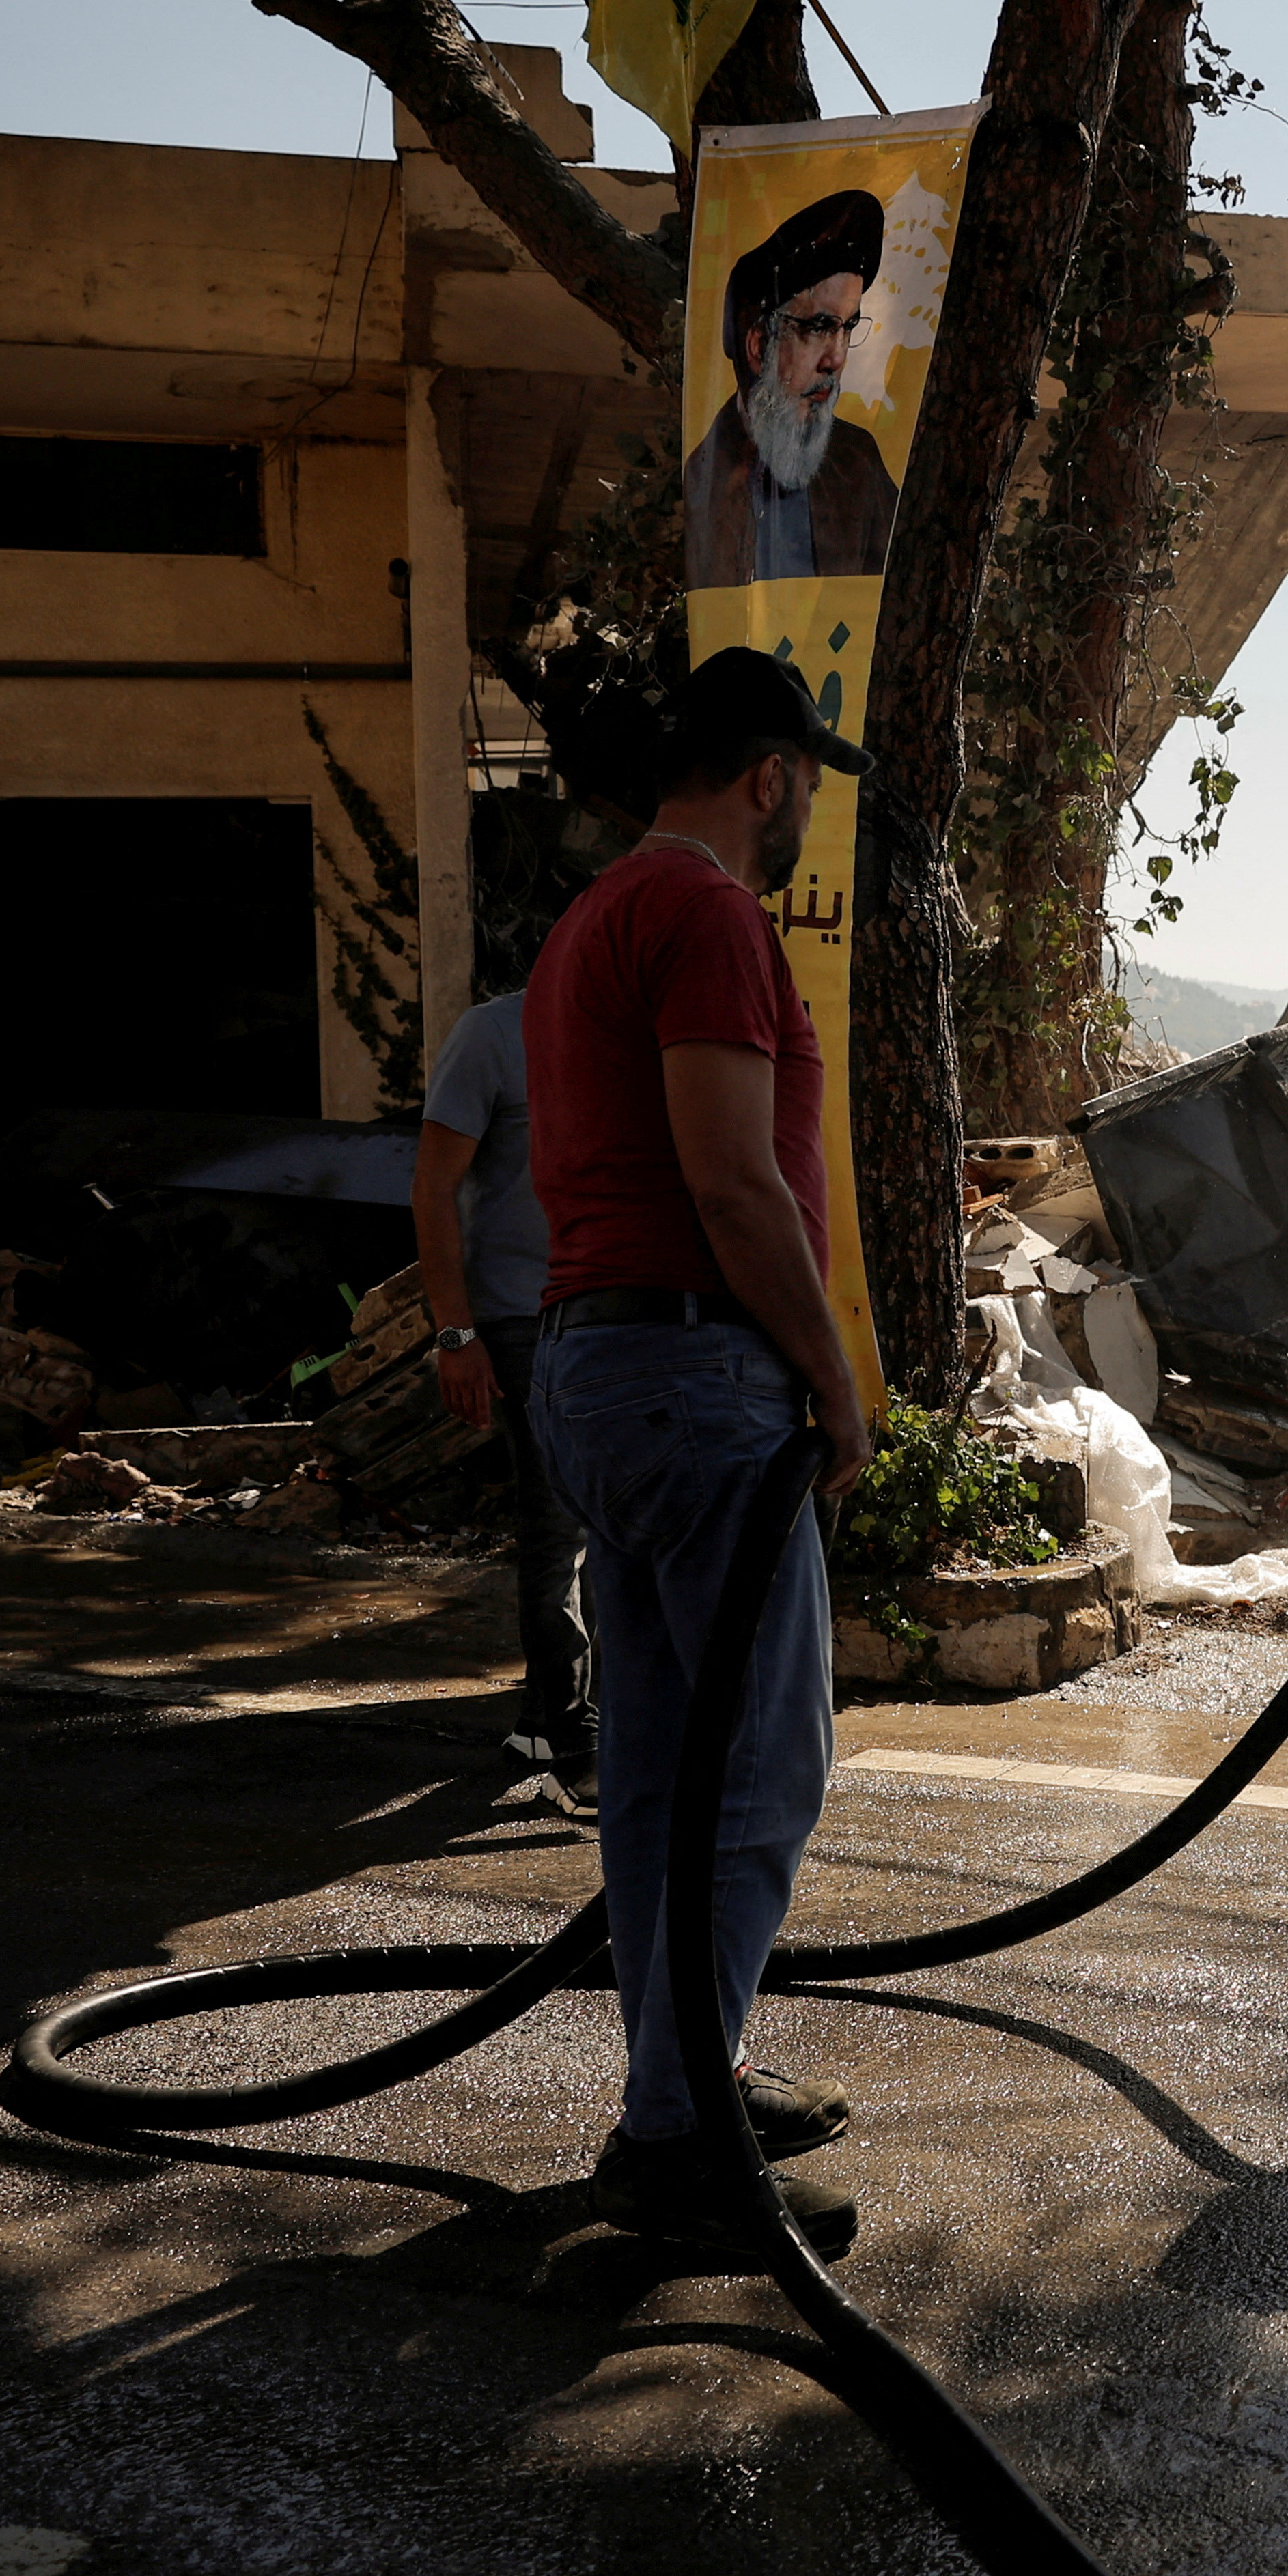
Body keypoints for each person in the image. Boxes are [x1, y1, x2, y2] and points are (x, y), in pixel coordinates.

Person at [524, 645, 877, 2254]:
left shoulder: (592, 919)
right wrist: (837, 1380)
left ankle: (688, 2079)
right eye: (807, 780)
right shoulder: (712, 915)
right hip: (693, 1371)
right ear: (769, 774)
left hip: (601, 1369)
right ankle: (679, 2143)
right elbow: (735, 1184)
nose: (805, 807)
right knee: (757, 1768)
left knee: (664, 1773)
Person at [412, 898, 596, 1817]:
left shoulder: (634, 1036)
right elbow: (434, 1189)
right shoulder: (491, 1037)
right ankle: (569, 1732)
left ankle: (554, 1711)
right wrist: (456, 1332)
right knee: (559, 1520)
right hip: (521, 1318)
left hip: (616, 1313)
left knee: (614, 1516)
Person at [680, 188, 901, 591]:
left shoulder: (858, 461)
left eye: (847, 328)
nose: (835, 359)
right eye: (819, 328)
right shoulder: (705, 472)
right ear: (759, 344)